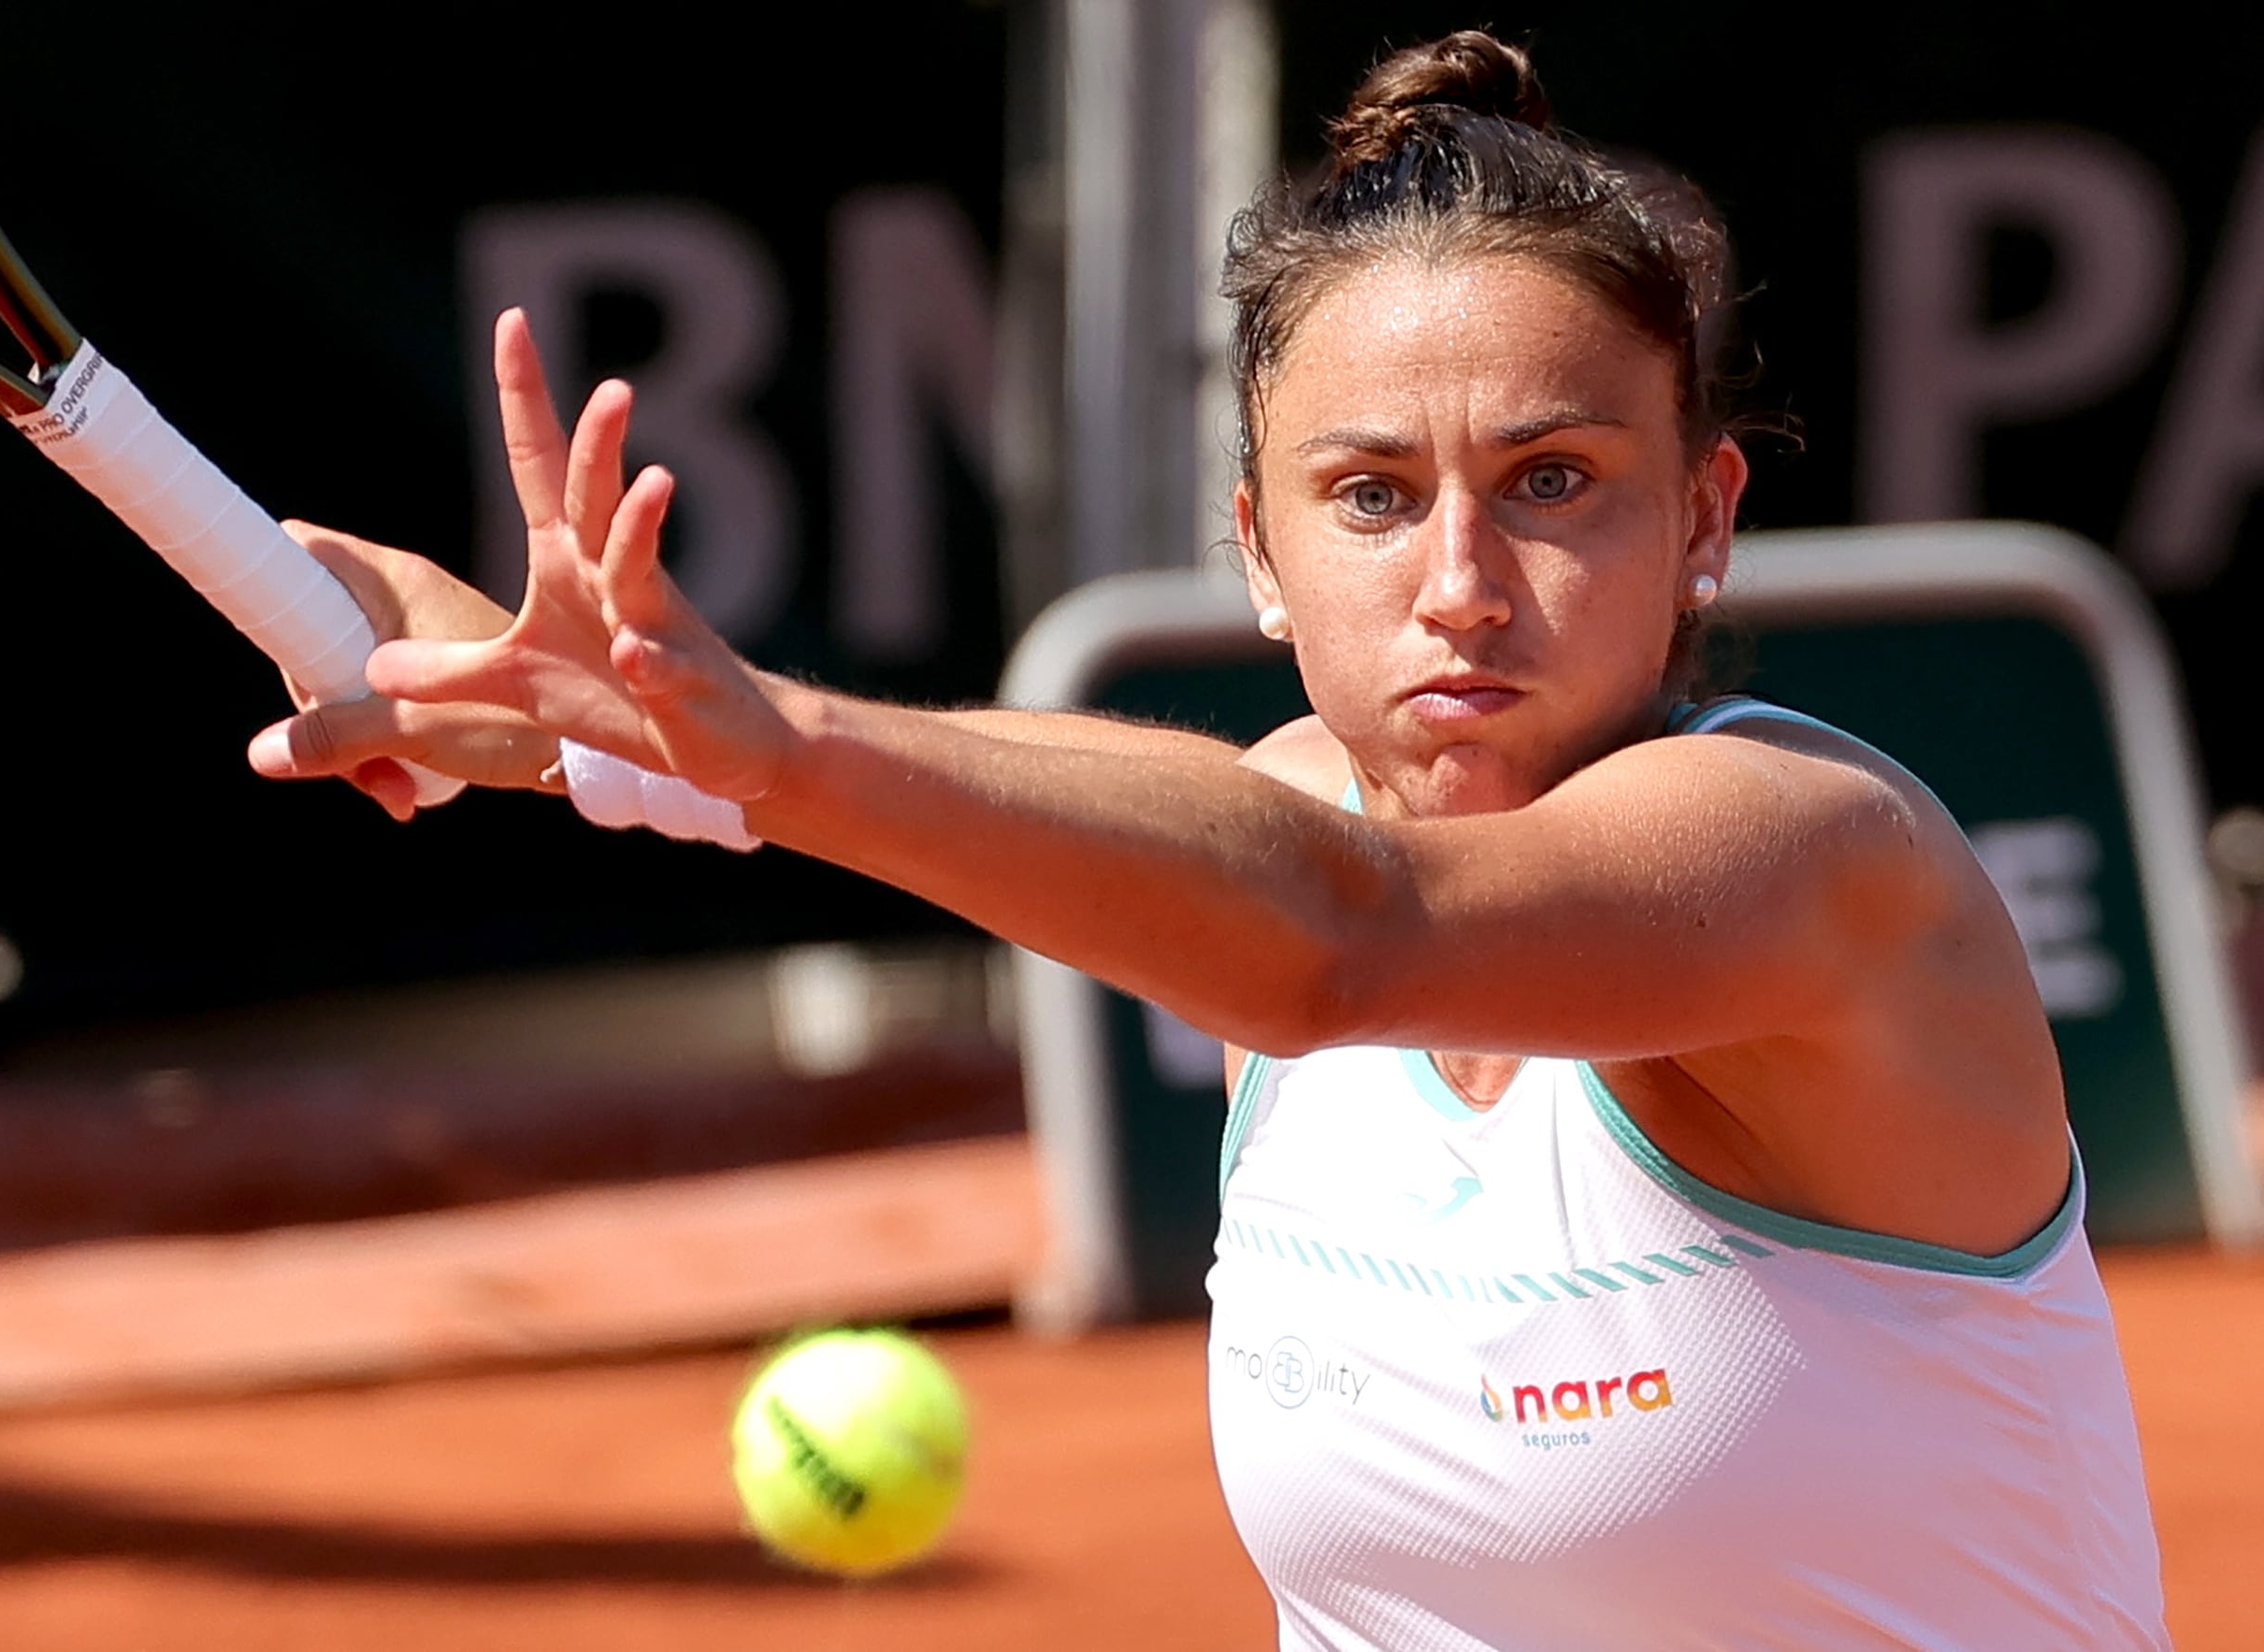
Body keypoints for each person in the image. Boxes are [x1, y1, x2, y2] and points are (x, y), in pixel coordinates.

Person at [249, 29, 2168, 1649]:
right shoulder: (1289, 812)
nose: (1461, 584)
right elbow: (1175, 832)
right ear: (1257, 547)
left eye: (1553, 482)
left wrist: (771, 738)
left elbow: (1339, 934)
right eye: (1368, 495)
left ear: (1703, 517)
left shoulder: (1810, 856)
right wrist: (582, 740)